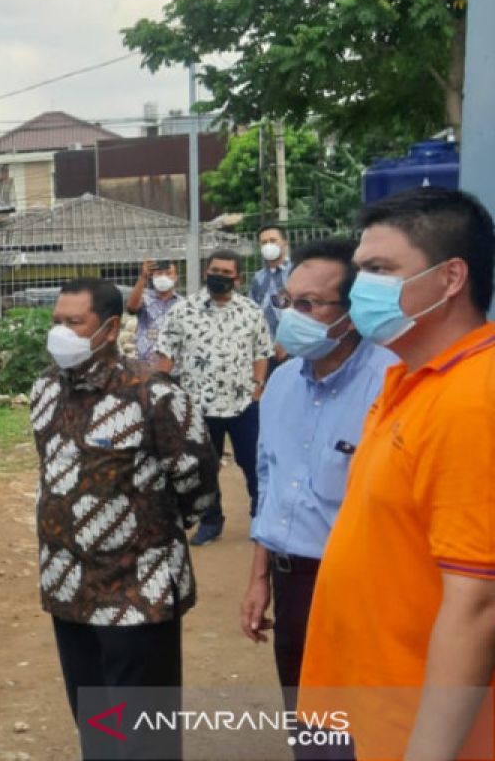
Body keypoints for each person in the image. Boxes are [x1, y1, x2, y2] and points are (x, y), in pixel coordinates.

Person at [299, 188, 495, 761]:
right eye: (360, 271)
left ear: (451, 277)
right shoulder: (412, 380)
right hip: (373, 709)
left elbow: (478, 602)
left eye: (380, 269)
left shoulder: (473, 398)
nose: (361, 289)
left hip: (423, 733)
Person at [32, 278, 218, 760]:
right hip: (68, 587)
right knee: (96, 725)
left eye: (75, 323)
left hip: (139, 592)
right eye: (57, 321)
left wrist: (154, 534)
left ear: (110, 329)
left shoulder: (153, 394)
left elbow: (196, 479)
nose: (61, 333)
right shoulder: (46, 390)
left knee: (145, 737)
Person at [239, 239, 395, 759]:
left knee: (361, 734)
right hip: (293, 582)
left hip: (360, 586)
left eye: (309, 305)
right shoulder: (281, 384)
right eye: (287, 302)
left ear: (350, 315)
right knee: (308, 729)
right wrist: (260, 577)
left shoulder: (392, 384)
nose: (292, 316)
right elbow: (270, 482)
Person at [156, 249, 273, 546]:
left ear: (238, 277)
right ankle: (211, 521)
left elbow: (261, 351)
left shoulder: (250, 311)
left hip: (243, 403)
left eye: (225, 273)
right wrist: (161, 390)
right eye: (214, 271)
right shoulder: (184, 310)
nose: (218, 277)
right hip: (200, 404)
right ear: (206, 272)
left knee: (253, 462)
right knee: (205, 466)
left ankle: (261, 515)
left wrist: (258, 386)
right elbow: (166, 351)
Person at [126, 258, 183, 365]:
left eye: (168, 273)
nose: (163, 277)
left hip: (174, 367)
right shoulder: (144, 299)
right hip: (145, 365)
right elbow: (131, 307)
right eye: (159, 273)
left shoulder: (183, 304)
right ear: (152, 277)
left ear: (175, 278)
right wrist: (143, 277)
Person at [250, 225, 292, 371]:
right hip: (267, 352)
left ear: (285, 243)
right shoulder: (258, 278)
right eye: (264, 242)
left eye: (273, 240)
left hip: (294, 349)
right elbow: (254, 313)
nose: (268, 245)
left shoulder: (297, 271)